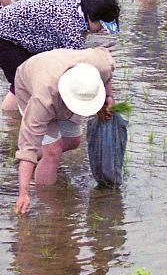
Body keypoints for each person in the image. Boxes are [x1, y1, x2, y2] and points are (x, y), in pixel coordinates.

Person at [11, 49, 115, 214]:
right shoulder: (42, 99)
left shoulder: (99, 65)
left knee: (74, 141)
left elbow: (108, 73)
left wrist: (108, 96)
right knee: (53, 152)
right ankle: (49, 205)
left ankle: (38, 156)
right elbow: (28, 146)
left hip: (61, 71)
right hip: (30, 80)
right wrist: (23, 193)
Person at [0, 0, 120, 95]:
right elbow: (75, 67)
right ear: (92, 16)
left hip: (28, 33)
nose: (101, 30)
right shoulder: (69, 26)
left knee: (39, 77)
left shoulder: (79, 8)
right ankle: (11, 122)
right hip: (4, 33)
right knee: (24, 84)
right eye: (101, 26)